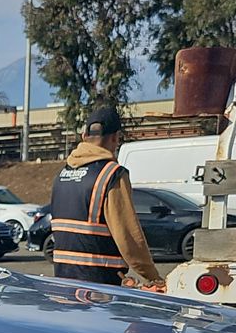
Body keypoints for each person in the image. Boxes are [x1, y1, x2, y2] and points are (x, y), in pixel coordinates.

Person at [48, 105, 164, 290]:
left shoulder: (62, 174)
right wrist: (152, 277)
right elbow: (127, 235)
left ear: (84, 136)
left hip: (63, 281)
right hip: (100, 284)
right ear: (115, 137)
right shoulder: (112, 174)